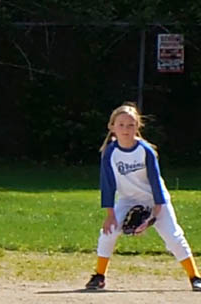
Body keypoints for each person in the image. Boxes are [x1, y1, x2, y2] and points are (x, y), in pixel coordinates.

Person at [85, 102, 200, 291]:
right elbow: (108, 186)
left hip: (155, 199)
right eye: (120, 124)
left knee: (173, 236)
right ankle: (99, 276)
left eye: (130, 125)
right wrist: (110, 215)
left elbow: (155, 182)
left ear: (137, 127)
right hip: (128, 200)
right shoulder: (110, 153)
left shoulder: (145, 150)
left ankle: (195, 276)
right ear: (112, 127)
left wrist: (154, 214)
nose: (125, 129)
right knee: (108, 233)